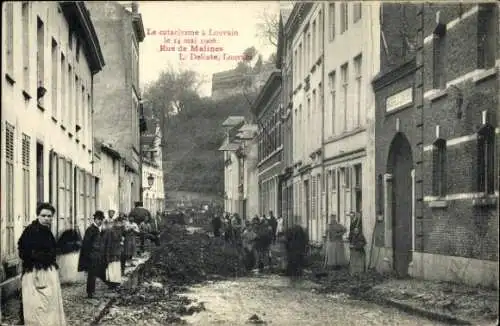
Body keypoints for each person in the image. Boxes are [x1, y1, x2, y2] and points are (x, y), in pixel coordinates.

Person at [18, 202, 66, 326]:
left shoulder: (47, 232)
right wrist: (38, 259)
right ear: (38, 216)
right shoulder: (30, 231)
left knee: (49, 305)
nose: (46, 219)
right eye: (43, 215)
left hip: (48, 272)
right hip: (35, 273)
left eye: (49, 216)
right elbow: (23, 251)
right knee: (37, 306)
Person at [79, 210, 110, 298]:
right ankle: (90, 293)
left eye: (101, 219)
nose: (100, 221)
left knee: (99, 272)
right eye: (98, 219)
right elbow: (86, 244)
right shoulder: (90, 230)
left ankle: (110, 285)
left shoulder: (100, 229)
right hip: (92, 255)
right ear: (95, 219)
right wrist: (87, 257)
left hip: (99, 255)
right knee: (92, 274)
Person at [101, 217, 124, 285]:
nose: (120, 224)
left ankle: (116, 281)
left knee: (116, 266)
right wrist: (107, 253)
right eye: (119, 223)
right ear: (115, 223)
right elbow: (108, 242)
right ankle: (112, 282)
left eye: (120, 223)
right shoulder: (111, 230)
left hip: (117, 250)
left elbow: (120, 239)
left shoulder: (119, 230)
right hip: (112, 251)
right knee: (112, 266)